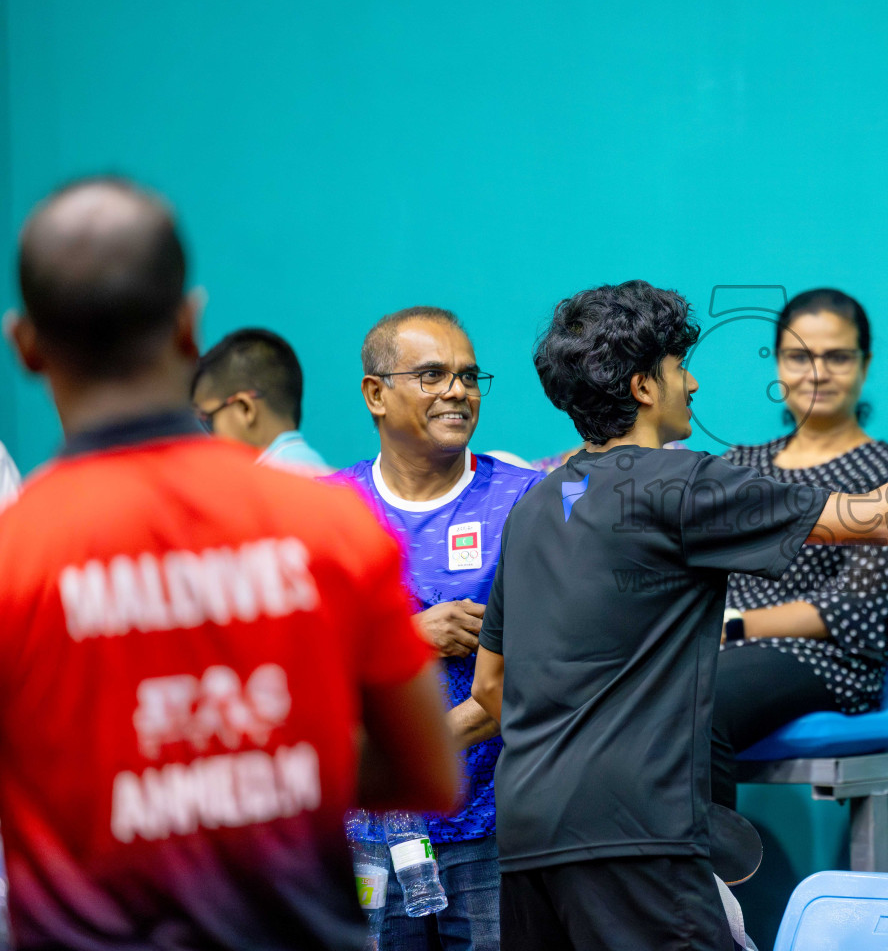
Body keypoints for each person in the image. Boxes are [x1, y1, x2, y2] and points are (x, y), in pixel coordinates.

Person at [471, 280, 888, 950]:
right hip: (636, 834)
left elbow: (492, 689)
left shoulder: (530, 509)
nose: (694, 383)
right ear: (645, 386)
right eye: (680, 367)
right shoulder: (683, 483)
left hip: (526, 832)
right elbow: (879, 517)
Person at [0, 176, 457, 949]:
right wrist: (253, 757)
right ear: (188, 325)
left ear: (26, 344)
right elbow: (428, 774)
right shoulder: (328, 525)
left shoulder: (17, 558)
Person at [333, 306, 539, 951]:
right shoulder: (326, 513)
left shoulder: (526, 502)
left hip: (494, 834)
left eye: (469, 376)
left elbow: (550, 671)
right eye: (431, 375)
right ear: (376, 393)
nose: (457, 390)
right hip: (363, 838)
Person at [711, 288, 888, 809]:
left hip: (826, 659)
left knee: (695, 700)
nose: (817, 372)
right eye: (799, 356)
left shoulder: (887, 471)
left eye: (837, 357)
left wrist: (734, 626)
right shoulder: (740, 463)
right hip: (721, 651)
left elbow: (856, 606)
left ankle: (703, 884)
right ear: (779, 363)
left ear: (864, 364)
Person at [192, 326, 332, 477]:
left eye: (208, 421)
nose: (208, 439)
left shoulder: (264, 483)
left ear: (245, 409)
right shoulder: (322, 472)